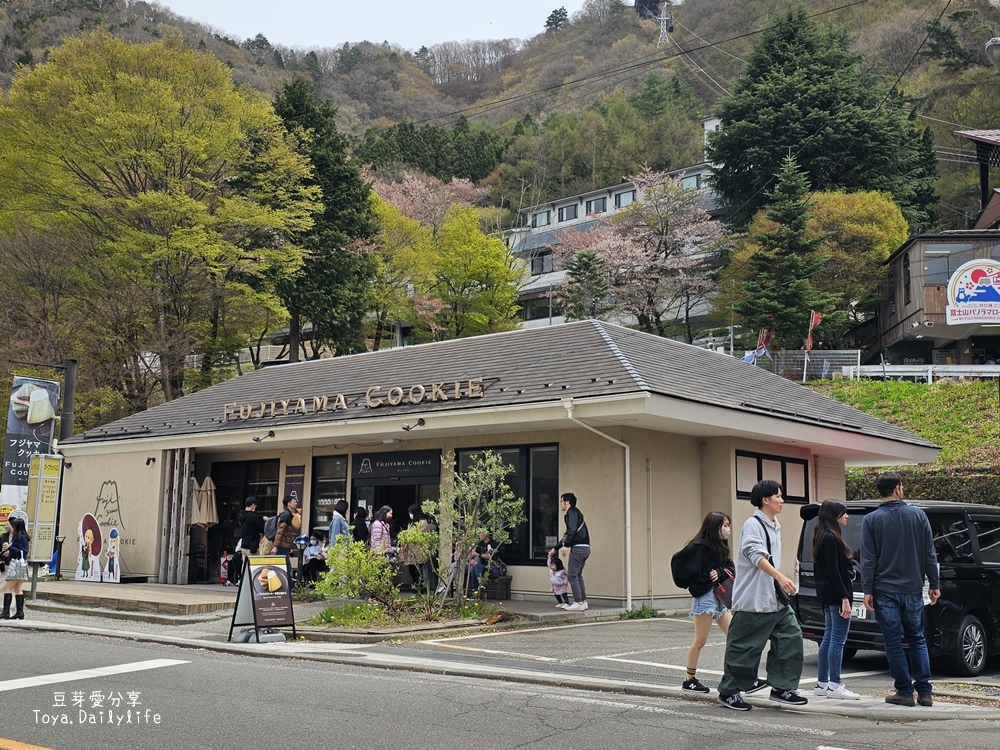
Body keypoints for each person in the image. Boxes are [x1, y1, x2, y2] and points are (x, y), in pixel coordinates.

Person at [717, 480, 807, 711]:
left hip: (775, 600)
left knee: (791, 638)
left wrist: (779, 579)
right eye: (778, 496)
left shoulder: (774, 524)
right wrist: (780, 577)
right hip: (754, 600)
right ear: (765, 499)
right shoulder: (753, 524)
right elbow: (755, 555)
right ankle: (729, 692)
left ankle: (781, 688)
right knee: (744, 648)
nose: (782, 500)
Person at [861, 473, 940, 707]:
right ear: (897, 489)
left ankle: (904, 691)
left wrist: (867, 589)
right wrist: (934, 583)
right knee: (917, 638)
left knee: (893, 642)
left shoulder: (871, 520)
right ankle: (925, 691)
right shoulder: (918, 515)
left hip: (884, 588)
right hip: (913, 587)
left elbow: (868, 559)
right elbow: (929, 553)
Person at [673, 511, 734, 693]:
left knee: (735, 636)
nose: (727, 529)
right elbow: (679, 563)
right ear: (714, 527)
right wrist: (699, 582)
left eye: (728, 525)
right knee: (700, 641)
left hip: (720, 597)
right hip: (705, 597)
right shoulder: (698, 547)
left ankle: (742, 676)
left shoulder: (721, 547)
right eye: (724, 525)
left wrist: (719, 572)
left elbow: (729, 568)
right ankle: (689, 679)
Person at [812, 499, 860, 700]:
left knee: (829, 636)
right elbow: (835, 572)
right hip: (837, 593)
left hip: (826, 593)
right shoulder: (832, 538)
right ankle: (834, 684)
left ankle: (823, 683)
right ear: (834, 515)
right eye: (843, 513)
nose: (846, 516)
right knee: (838, 640)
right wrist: (845, 598)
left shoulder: (821, 536)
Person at [548, 492, 590, 611]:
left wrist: (566, 546)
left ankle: (579, 602)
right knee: (577, 575)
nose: (560, 503)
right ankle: (583, 601)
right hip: (585, 547)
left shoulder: (571, 512)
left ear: (567, 502)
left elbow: (571, 531)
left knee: (572, 575)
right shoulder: (575, 513)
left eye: (561, 501)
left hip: (578, 548)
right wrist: (556, 547)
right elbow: (568, 534)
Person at [1, 516, 30, 619]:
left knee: (6, 587)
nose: (10, 527)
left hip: (17, 566)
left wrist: (10, 548)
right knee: (17, 588)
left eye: (11, 525)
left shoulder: (21, 537)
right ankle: (19, 612)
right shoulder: (19, 537)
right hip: (19, 566)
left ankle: (6, 612)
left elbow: (24, 551)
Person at [401, 504, 431, 593]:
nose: (410, 514)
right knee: (412, 570)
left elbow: (414, 534)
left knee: (417, 571)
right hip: (411, 551)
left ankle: (419, 587)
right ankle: (416, 586)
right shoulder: (412, 523)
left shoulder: (423, 523)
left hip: (418, 551)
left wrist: (404, 533)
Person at [273, 495, 301, 587]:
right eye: (294, 501)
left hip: (284, 546)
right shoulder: (286, 515)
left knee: (285, 566)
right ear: (288, 503)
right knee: (285, 567)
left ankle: (288, 587)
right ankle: (288, 588)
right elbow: (280, 531)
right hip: (281, 546)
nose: (296, 503)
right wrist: (276, 546)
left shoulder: (290, 514)